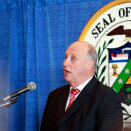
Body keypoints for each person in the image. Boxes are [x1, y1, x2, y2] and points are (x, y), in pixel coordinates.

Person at [40, 41, 123, 131]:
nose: (64, 63)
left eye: (73, 58)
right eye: (65, 57)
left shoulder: (106, 96)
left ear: (89, 64)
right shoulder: (54, 96)